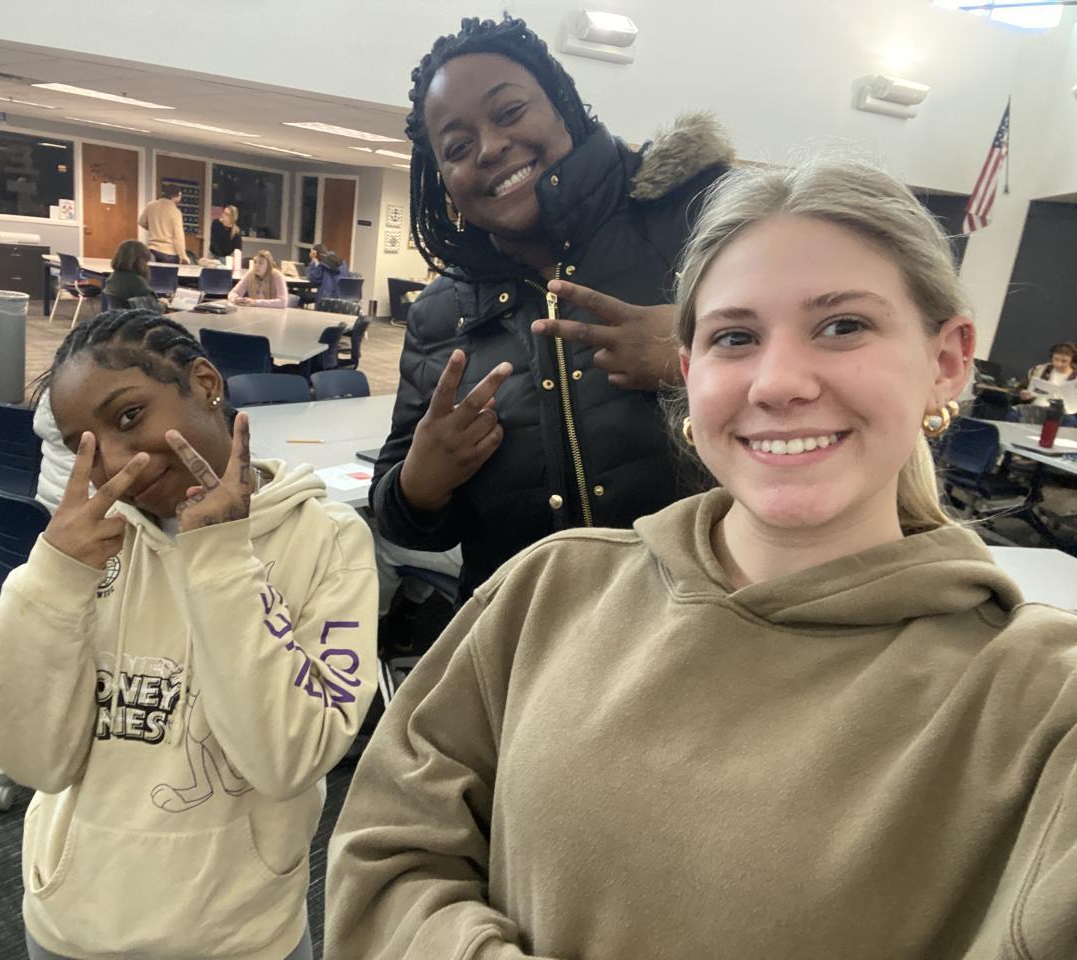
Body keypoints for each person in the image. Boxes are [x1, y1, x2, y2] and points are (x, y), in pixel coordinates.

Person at [324, 159, 1077, 960]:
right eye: (735, 337)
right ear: (690, 373)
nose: (777, 383)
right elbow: (388, 854)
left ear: (947, 362)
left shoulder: (1040, 700)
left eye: (842, 326)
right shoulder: (548, 589)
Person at [0, 309, 377, 960]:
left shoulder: (326, 540)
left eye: (130, 416)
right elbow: (28, 758)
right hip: (73, 922)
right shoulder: (83, 554)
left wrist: (220, 562)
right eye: (85, 446)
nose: (116, 461)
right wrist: (50, 578)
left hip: (243, 934)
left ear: (205, 383)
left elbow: (290, 759)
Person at [370, 15, 733, 598]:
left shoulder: (696, 224)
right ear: (443, 181)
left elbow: (828, 375)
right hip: (524, 631)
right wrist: (420, 481)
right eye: (458, 147)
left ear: (563, 107)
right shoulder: (441, 311)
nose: (490, 147)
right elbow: (399, 516)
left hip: (700, 617)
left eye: (510, 111)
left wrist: (700, 349)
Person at [1017, 341, 1077, 426]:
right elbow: (1019, 389)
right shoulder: (1039, 370)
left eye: (1064, 361)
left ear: (1072, 360)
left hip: (1063, 414)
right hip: (1037, 408)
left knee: (1071, 421)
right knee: (1014, 414)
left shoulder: (1075, 377)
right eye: (1056, 359)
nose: (1059, 364)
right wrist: (1023, 394)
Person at [101, 239, 157, 310]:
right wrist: (164, 304)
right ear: (141, 261)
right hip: (136, 316)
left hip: (118, 315)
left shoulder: (113, 277)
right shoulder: (137, 281)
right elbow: (153, 308)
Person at [138, 184, 188, 263]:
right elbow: (178, 237)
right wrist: (183, 256)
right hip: (169, 253)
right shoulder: (175, 212)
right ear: (178, 195)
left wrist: (154, 228)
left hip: (152, 250)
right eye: (180, 196)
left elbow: (141, 222)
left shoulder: (150, 205)